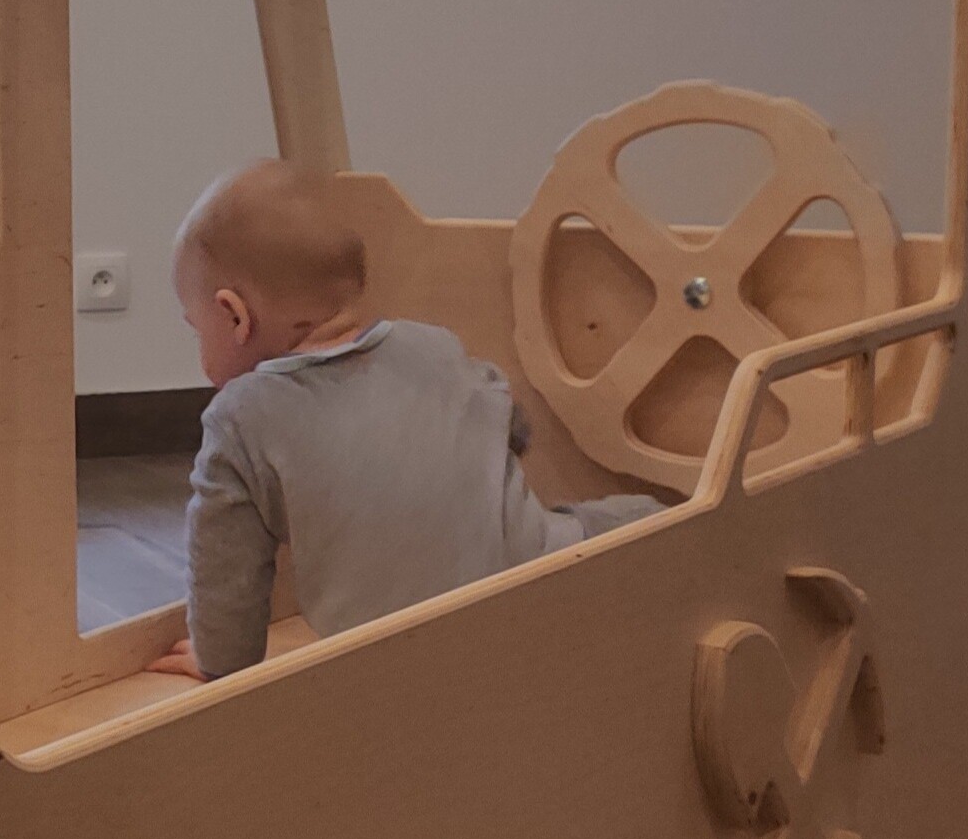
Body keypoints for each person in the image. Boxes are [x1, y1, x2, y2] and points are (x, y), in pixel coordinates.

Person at [156, 157, 658, 679]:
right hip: (530, 590)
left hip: (385, 658)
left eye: (197, 330)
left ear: (235, 316)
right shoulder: (434, 346)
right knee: (638, 517)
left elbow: (225, 573)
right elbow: (514, 427)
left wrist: (218, 659)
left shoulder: (238, 420)